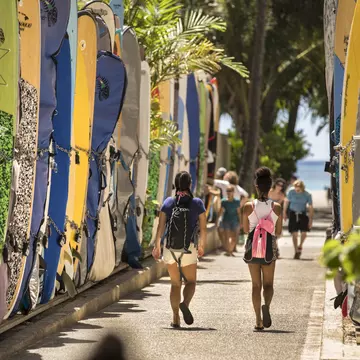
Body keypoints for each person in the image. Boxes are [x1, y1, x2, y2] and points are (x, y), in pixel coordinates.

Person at [152, 171, 207, 328]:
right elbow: (203, 228)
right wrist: (202, 245)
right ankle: (185, 304)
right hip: (188, 248)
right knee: (191, 282)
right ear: (190, 184)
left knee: (175, 284)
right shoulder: (197, 203)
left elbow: (160, 228)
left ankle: (175, 317)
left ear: (175, 185)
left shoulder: (169, 202)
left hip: (170, 249)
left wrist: (157, 246)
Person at [242, 167, 282, 330]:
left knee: (255, 286)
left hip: (253, 248)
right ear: (270, 187)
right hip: (269, 248)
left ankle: (258, 320)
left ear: (256, 186)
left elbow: (245, 230)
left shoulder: (248, 206)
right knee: (268, 285)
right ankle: (267, 305)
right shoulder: (277, 207)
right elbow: (278, 231)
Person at [283, 180, 313, 259]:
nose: (297, 188)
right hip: (292, 214)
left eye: (298, 187)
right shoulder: (291, 192)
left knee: (304, 233)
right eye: (295, 186)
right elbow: (286, 202)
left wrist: (310, 219)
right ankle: (296, 250)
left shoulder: (307, 194)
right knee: (294, 233)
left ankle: (300, 246)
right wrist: (284, 213)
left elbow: (310, 206)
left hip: (302, 214)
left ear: (302, 187)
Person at [217, 185, 241, 256]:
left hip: (235, 221)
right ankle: (229, 251)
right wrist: (217, 220)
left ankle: (230, 250)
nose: (228, 192)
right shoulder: (223, 201)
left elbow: (239, 212)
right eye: (227, 191)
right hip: (226, 220)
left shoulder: (237, 201)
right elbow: (220, 211)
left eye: (230, 191)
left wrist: (241, 222)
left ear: (233, 192)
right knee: (227, 237)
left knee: (234, 238)